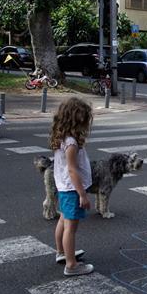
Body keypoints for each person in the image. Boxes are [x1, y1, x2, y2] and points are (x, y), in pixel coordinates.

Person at [49, 98, 95, 276]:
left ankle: (61, 252)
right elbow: (72, 170)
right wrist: (82, 194)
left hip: (64, 186)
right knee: (71, 227)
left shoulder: (62, 137)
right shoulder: (71, 143)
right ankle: (71, 264)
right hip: (71, 189)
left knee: (63, 220)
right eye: (84, 120)